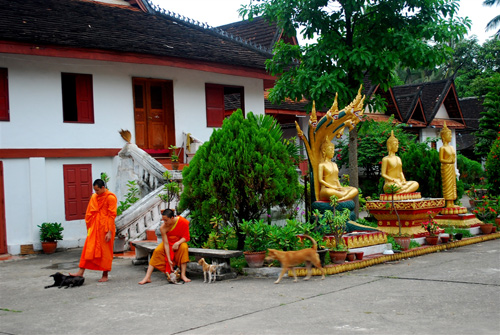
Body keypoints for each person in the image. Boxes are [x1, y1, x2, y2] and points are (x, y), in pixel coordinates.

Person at [69, 179, 117, 282]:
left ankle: (105, 275)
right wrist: (90, 227)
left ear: (103, 188)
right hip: (95, 227)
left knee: (105, 252)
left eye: (97, 190)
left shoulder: (110, 198)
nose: (96, 193)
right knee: (88, 249)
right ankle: (80, 272)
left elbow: (111, 216)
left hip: (105, 228)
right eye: (95, 190)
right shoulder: (94, 197)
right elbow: (89, 212)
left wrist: (109, 232)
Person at [138, 209, 191, 284]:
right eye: (163, 220)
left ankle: (183, 275)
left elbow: (186, 237)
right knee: (157, 251)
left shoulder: (183, 222)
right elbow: (165, 243)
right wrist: (169, 259)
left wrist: (178, 243)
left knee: (184, 247)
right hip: (168, 242)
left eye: (166, 220)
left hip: (179, 242)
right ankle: (147, 277)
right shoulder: (163, 228)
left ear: (172, 218)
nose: (164, 222)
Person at [439, 122, 458, 208]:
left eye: (451, 135)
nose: (450, 136)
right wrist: (448, 161)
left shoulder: (452, 147)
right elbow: (441, 159)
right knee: (447, 185)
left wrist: (452, 161)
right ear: (443, 136)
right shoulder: (442, 148)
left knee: (453, 184)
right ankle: (448, 203)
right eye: (449, 135)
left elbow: (454, 158)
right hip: (446, 167)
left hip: (451, 168)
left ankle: (452, 203)